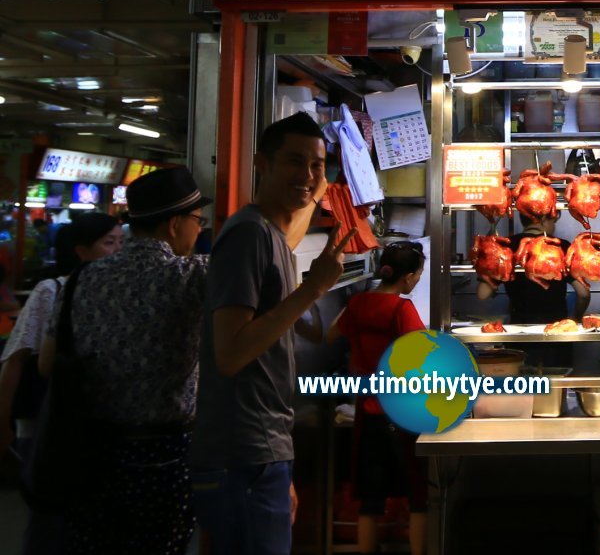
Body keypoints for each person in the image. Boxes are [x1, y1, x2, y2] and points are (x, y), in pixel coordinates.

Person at [191, 112, 352, 555]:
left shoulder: (272, 235)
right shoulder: (247, 236)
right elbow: (230, 353)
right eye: (294, 162)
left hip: (260, 453)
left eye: (317, 165)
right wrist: (314, 289)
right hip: (240, 454)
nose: (307, 174)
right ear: (261, 163)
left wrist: (280, 462)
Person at [37, 169, 210, 553]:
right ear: (175, 223)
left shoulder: (81, 278)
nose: (199, 231)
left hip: (90, 455)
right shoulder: (192, 274)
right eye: (198, 221)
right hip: (165, 460)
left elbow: (47, 363)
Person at [0, 214, 122, 555]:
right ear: (81, 251)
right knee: (48, 519)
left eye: (121, 242)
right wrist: (2, 421)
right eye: (108, 243)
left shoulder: (122, 293)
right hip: (47, 419)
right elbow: (15, 358)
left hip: (95, 423)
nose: (117, 251)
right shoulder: (50, 290)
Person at [326, 241, 429, 555]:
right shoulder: (401, 308)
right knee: (417, 496)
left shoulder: (358, 303)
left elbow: (331, 334)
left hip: (368, 410)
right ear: (408, 277)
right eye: (419, 275)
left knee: (370, 499)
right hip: (400, 413)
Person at [476, 211, 590, 368]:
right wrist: (576, 318)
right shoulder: (560, 246)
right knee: (556, 385)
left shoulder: (508, 245)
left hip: (519, 332)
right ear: (543, 219)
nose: (554, 226)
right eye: (553, 221)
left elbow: (483, 293)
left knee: (526, 387)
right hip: (557, 333)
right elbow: (583, 293)